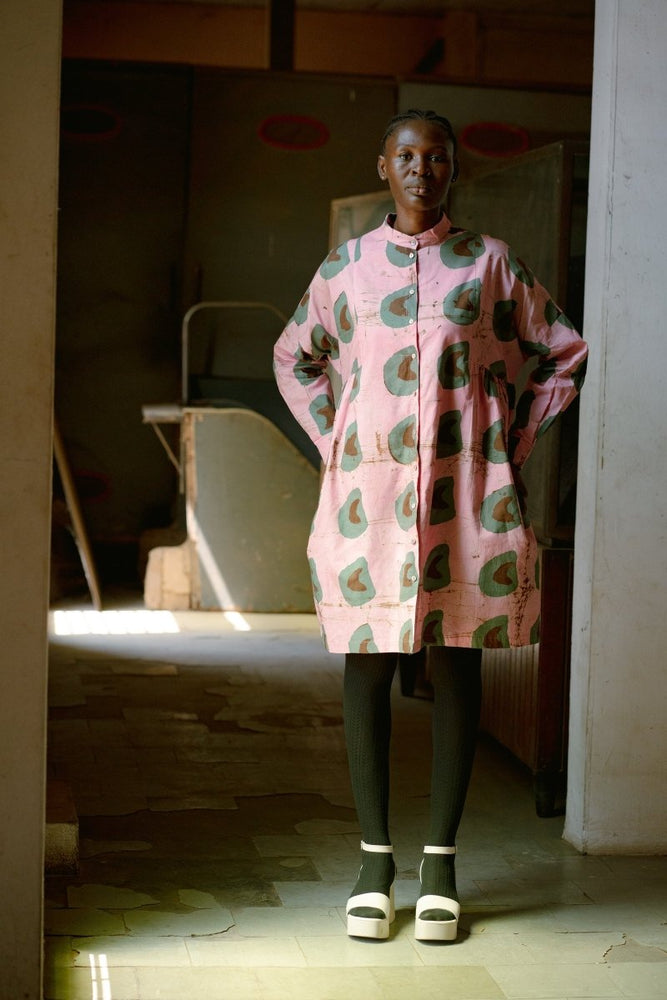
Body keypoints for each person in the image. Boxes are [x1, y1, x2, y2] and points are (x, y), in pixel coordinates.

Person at [273, 109, 588, 942]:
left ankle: (440, 864)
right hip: (368, 504)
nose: (421, 170)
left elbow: (562, 350)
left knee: (454, 662)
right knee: (369, 665)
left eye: (437, 157)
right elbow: (292, 355)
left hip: (465, 495)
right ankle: (375, 863)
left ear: (453, 169)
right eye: (406, 156)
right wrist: (336, 440)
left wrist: (509, 443)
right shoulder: (344, 271)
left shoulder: (485, 265)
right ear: (383, 166)